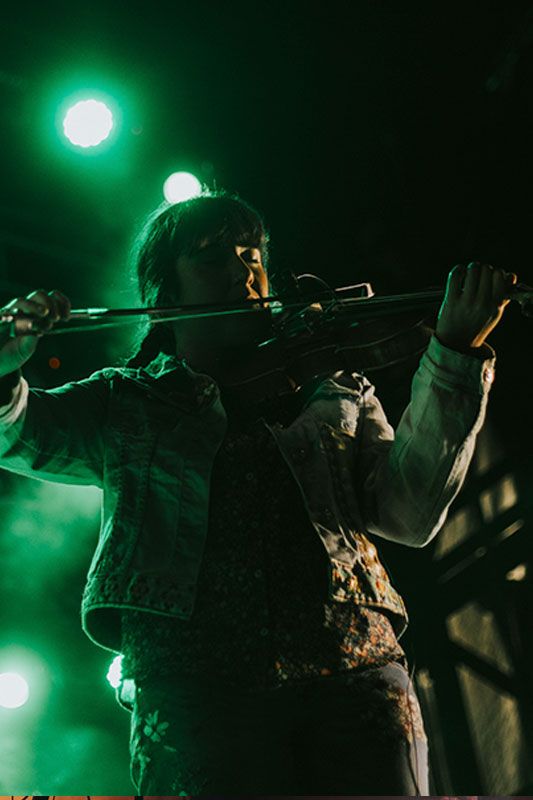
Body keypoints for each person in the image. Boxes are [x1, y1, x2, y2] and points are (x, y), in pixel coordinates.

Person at [0, 191, 516, 795]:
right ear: (165, 294)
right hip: (195, 683)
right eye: (212, 258)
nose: (244, 270)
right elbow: (19, 432)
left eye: (251, 255)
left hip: (355, 670)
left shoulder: (335, 388)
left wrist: (454, 355)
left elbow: (409, 513)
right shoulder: (127, 401)